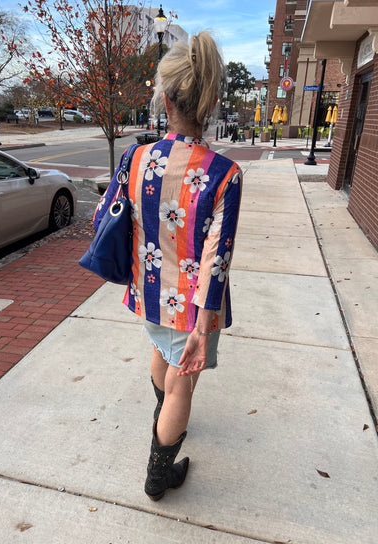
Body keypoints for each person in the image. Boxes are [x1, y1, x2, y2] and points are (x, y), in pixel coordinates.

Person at [93, 31, 242, 501]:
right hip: (193, 306)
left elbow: (103, 218)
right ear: (210, 102)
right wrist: (201, 326)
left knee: (162, 355)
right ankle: (158, 476)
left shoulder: (135, 157)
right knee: (183, 386)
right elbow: (217, 259)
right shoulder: (224, 174)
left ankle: (163, 417)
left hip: (149, 291)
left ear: (164, 97)